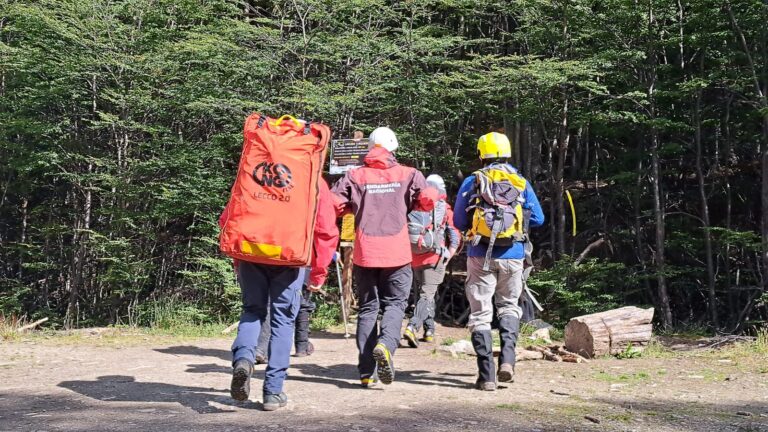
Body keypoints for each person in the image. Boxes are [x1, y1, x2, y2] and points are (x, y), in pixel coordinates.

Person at [221, 178, 338, 410]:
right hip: (290, 255)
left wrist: (237, 257)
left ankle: (244, 359)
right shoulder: (311, 174)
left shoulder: (254, 168)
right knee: (283, 320)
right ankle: (273, 392)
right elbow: (325, 229)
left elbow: (228, 217)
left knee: (252, 311)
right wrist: (319, 271)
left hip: (251, 251)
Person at [331, 126, 428, 387]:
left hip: (365, 254)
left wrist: (354, 207)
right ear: (393, 147)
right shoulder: (409, 174)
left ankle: (365, 373)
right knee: (395, 306)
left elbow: (333, 205)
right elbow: (427, 200)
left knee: (368, 309)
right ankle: (385, 345)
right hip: (397, 254)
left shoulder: (354, 175)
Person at [453, 132, 544, 391]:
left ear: (481, 154)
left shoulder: (473, 181)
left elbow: (459, 221)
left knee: (481, 314)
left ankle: (486, 377)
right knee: (508, 306)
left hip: (480, 255)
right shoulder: (519, 180)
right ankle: (508, 362)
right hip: (514, 254)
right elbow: (538, 219)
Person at [402, 174, 461, 348]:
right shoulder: (444, 209)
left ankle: (429, 330)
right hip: (435, 257)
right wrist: (448, 255)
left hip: (414, 258)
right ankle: (413, 326)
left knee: (424, 294)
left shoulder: (414, 206)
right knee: (426, 295)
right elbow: (455, 236)